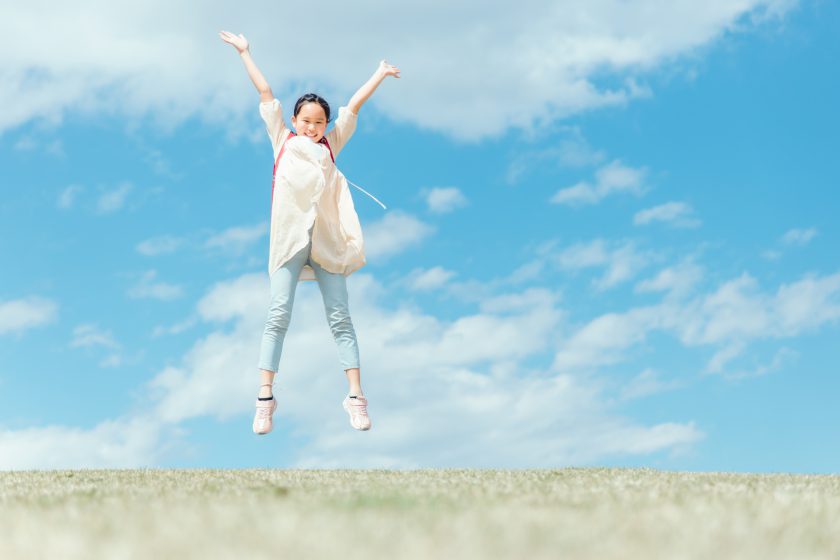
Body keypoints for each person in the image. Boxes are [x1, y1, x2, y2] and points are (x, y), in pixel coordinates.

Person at [219, 30, 400, 436]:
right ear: (294, 121)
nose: (313, 127)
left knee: (340, 317)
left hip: (326, 244)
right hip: (289, 243)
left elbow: (353, 106)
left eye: (319, 122)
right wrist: (245, 52)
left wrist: (379, 73)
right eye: (306, 121)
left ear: (325, 124)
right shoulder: (282, 140)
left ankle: (355, 396)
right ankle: (265, 398)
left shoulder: (331, 145)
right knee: (277, 314)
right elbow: (265, 92)